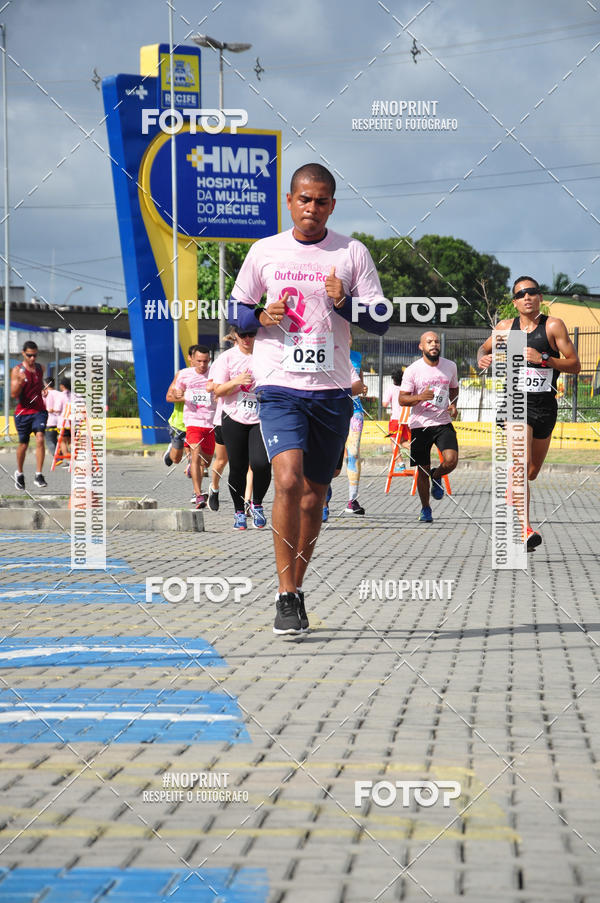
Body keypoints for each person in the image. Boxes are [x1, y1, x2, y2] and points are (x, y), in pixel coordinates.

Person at [228, 161, 389, 635]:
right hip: (279, 385)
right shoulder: (265, 251)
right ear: (289, 201)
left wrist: (347, 303)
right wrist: (261, 313)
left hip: (332, 389)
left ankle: (296, 587)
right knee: (287, 480)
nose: (311, 208)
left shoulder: (352, 252)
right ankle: (282, 593)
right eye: (304, 199)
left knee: (314, 496)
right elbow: (237, 313)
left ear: (332, 205)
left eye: (321, 201)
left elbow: (380, 319)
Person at [477, 276, 581, 550]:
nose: (527, 297)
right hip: (515, 403)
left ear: (540, 297)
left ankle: (514, 487)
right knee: (521, 466)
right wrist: (482, 358)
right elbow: (483, 348)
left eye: (532, 292)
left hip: (545, 405)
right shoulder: (504, 328)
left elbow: (575, 365)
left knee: (532, 471)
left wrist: (544, 358)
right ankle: (525, 530)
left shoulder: (553, 326)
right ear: (514, 302)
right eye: (521, 294)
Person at [210, 326, 271, 530]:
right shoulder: (226, 358)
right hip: (233, 417)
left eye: (251, 334)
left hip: (261, 418)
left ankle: (257, 504)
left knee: (261, 463)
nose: (247, 338)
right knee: (238, 467)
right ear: (235, 335)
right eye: (242, 335)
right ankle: (238, 512)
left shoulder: (267, 354)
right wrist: (236, 381)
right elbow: (217, 390)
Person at [398, 332, 459, 523]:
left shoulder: (450, 366)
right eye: (429, 342)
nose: (434, 345)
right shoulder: (413, 370)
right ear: (421, 347)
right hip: (420, 425)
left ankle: (437, 474)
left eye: (436, 342)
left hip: (442, 422)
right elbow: (402, 399)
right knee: (422, 470)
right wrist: (419, 397)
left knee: (451, 460)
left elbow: (454, 388)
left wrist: (453, 403)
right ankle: (426, 508)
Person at [173, 345, 216, 509]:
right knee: (196, 455)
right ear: (193, 360)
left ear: (209, 360)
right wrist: (178, 395)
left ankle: (193, 461)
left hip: (210, 424)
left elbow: (220, 392)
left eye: (205, 361)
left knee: (206, 461)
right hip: (193, 422)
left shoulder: (214, 373)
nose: (202, 365)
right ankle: (198, 495)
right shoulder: (184, 375)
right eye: (199, 361)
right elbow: (176, 393)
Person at [11, 340, 49, 490]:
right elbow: (14, 394)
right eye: (29, 355)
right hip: (22, 413)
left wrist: (42, 389)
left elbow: (38, 383)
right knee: (23, 445)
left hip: (39, 411)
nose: (33, 358)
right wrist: (19, 383)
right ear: (23, 354)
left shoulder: (41, 368)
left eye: (35, 355)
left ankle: (39, 475)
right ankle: (19, 474)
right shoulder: (17, 371)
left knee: (40, 438)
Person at [344, 346, 369, 515]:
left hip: (355, 408)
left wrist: (363, 388)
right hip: (333, 407)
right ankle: (324, 499)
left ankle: (352, 500)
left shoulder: (357, 356)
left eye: (349, 336)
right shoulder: (328, 352)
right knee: (331, 455)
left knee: (353, 452)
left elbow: (360, 382)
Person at [164, 344, 196, 471]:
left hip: (198, 422)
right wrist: (188, 397)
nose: (200, 363)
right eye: (197, 359)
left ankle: (192, 466)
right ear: (190, 358)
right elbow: (169, 397)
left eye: (204, 360)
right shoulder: (182, 375)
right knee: (176, 459)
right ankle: (171, 448)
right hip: (179, 423)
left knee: (198, 455)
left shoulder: (209, 376)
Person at [383, 367, 410, 465]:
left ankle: (400, 463)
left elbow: (384, 404)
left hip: (395, 419)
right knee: (403, 441)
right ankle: (417, 452)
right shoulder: (406, 389)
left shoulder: (391, 388)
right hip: (406, 419)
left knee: (393, 440)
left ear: (393, 378)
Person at [44, 378, 63, 458]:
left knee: (49, 440)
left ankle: (58, 457)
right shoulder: (60, 394)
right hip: (60, 421)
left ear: (46, 384)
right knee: (57, 440)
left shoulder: (44, 394)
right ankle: (62, 454)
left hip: (49, 421)